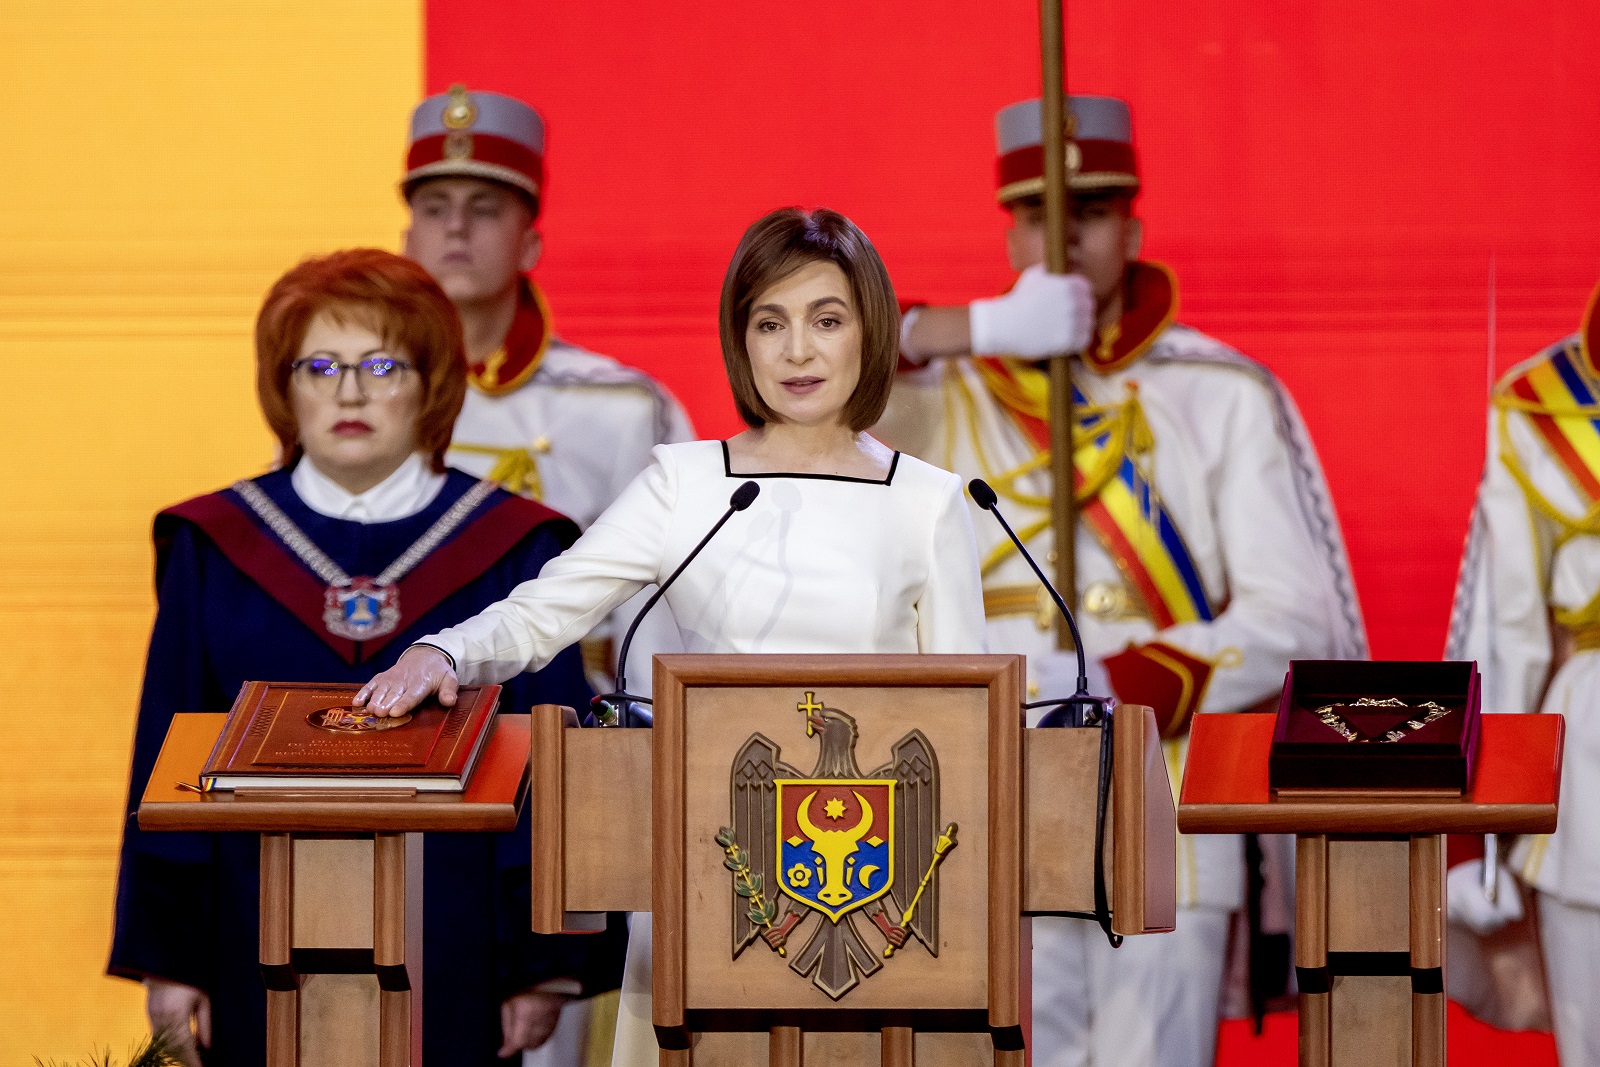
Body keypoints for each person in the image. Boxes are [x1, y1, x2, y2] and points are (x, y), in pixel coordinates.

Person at [354, 207, 989, 1066]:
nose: (797, 350)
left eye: (825, 320)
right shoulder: (688, 485)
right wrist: (446, 650)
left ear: (868, 334)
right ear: (741, 342)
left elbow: (970, 729)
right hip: (705, 861)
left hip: (878, 892)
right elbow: (548, 607)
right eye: (770, 323)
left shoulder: (932, 501)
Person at [874, 96, 1366, 1067]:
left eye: (1089, 212)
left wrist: (1118, 679)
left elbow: (1294, 612)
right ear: (1008, 230)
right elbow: (798, 376)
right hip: (992, 792)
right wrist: (960, 327)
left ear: (1132, 227)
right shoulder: (943, 389)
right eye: (1038, 213)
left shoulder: (1221, 393)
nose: (1062, 235)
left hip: (1167, 794)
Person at [107, 249, 626, 1067]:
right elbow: (168, 757)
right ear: (285, 387)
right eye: (320, 365)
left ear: (433, 384)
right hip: (251, 943)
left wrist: (544, 963)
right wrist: (170, 958)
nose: (349, 392)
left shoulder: (514, 548)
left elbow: (555, 767)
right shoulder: (213, 546)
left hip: (458, 949)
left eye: (382, 364)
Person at [400, 84, 695, 696]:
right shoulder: (354, 396)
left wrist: (644, 750)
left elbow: (664, 605)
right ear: (406, 239)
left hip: (561, 720)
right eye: (433, 207)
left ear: (530, 242)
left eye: (484, 208)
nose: (456, 227)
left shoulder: (624, 406)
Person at [1446, 279, 1600, 1064]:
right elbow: (1510, 643)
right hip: (1584, 762)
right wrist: (1490, 831)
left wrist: (1490, 840)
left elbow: (1511, 640)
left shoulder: (1535, 406)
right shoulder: (1540, 407)